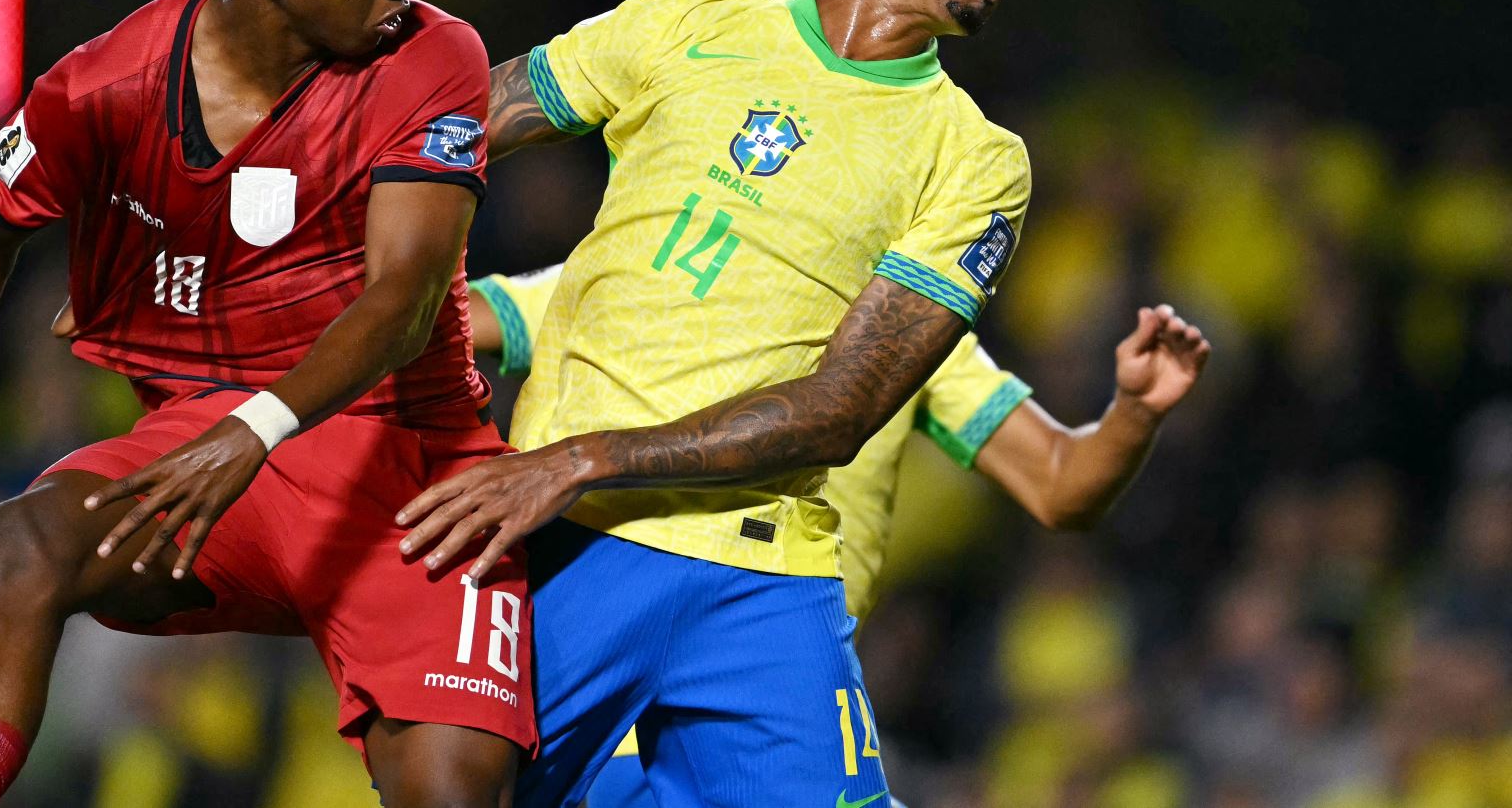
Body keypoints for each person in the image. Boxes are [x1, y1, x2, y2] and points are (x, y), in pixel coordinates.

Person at [398, 0, 1211, 807]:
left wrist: (582, 455)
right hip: (579, 541)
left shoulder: (973, 163)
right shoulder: (687, 33)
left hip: (762, 567)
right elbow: (446, 139)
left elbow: (846, 412)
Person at [0, 0, 532, 808]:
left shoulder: (433, 55)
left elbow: (404, 300)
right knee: (25, 537)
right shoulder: (110, 82)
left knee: (452, 789)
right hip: (206, 452)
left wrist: (252, 428)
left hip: (411, 475)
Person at [467, 266, 1209, 807]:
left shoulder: (913, 338)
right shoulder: (643, 269)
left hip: (779, 687)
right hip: (616, 678)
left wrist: (1134, 416)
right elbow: (449, 318)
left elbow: (1058, 484)